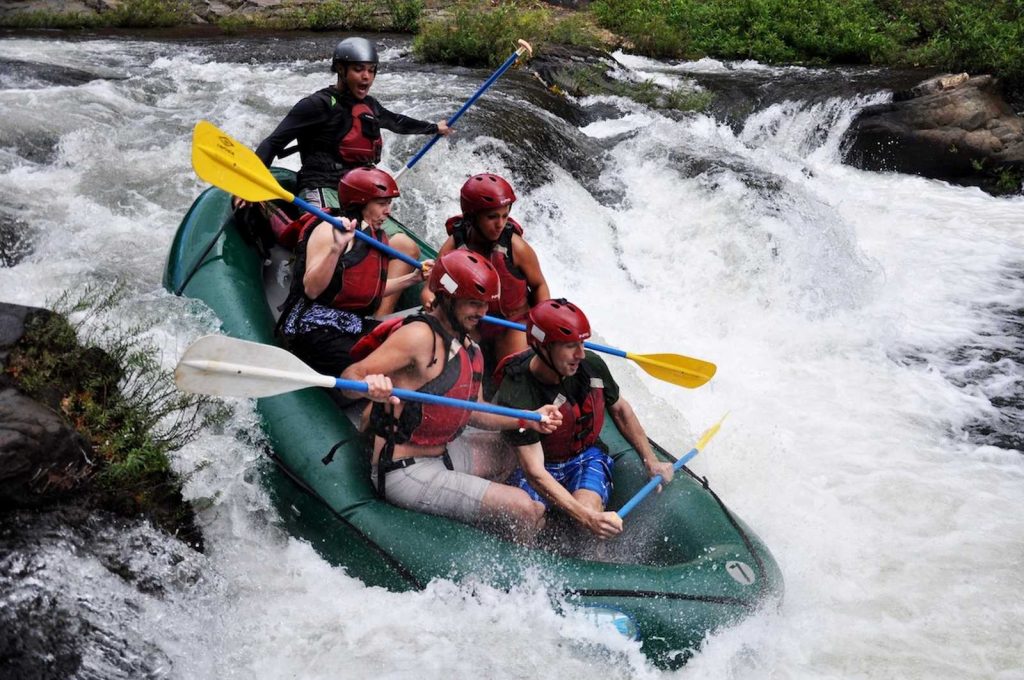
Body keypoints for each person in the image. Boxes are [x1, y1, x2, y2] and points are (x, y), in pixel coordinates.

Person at [341, 249, 563, 542]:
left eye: (484, 304)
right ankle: (516, 565)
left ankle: (486, 513)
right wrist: (373, 385)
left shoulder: (470, 347)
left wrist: (528, 419)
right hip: (403, 470)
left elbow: (475, 411)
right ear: (447, 297)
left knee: (511, 450)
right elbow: (349, 379)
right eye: (473, 303)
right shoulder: (420, 337)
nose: (481, 313)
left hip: (443, 453)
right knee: (526, 508)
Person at [492, 299, 675, 539]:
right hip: (539, 464)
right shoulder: (517, 390)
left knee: (588, 510)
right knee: (528, 515)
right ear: (543, 347)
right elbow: (535, 472)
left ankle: (588, 554)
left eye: (581, 343)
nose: (580, 353)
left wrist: (650, 460)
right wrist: (586, 518)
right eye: (570, 346)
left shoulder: (591, 365)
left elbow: (621, 410)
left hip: (584, 456)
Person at [254, 36, 450, 209]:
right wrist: (253, 186)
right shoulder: (317, 104)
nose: (367, 76)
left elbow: (397, 122)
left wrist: (433, 128)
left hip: (357, 192)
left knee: (407, 249)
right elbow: (273, 142)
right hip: (321, 185)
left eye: (371, 70)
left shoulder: (370, 106)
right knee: (332, 239)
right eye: (358, 69)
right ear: (341, 69)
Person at [278, 167, 431, 377]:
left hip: (351, 324)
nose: (388, 211)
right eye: (381, 204)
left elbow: (367, 290)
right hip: (310, 326)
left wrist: (413, 278)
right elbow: (312, 289)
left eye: (389, 203)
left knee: (403, 353)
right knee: (380, 367)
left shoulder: (373, 235)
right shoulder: (329, 230)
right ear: (360, 202)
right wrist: (335, 249)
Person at [423, 173, 549, 368]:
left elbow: (539, 284)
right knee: (451, 362)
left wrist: (542, 325)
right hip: (473, 323)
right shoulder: (457, 244)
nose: (500, 224)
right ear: (473, 217)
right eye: (492, 217)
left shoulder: (516, 247)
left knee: (513, 368)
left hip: (513, 323)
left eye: (505, 216)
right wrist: (429, 299)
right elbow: (431, 286)